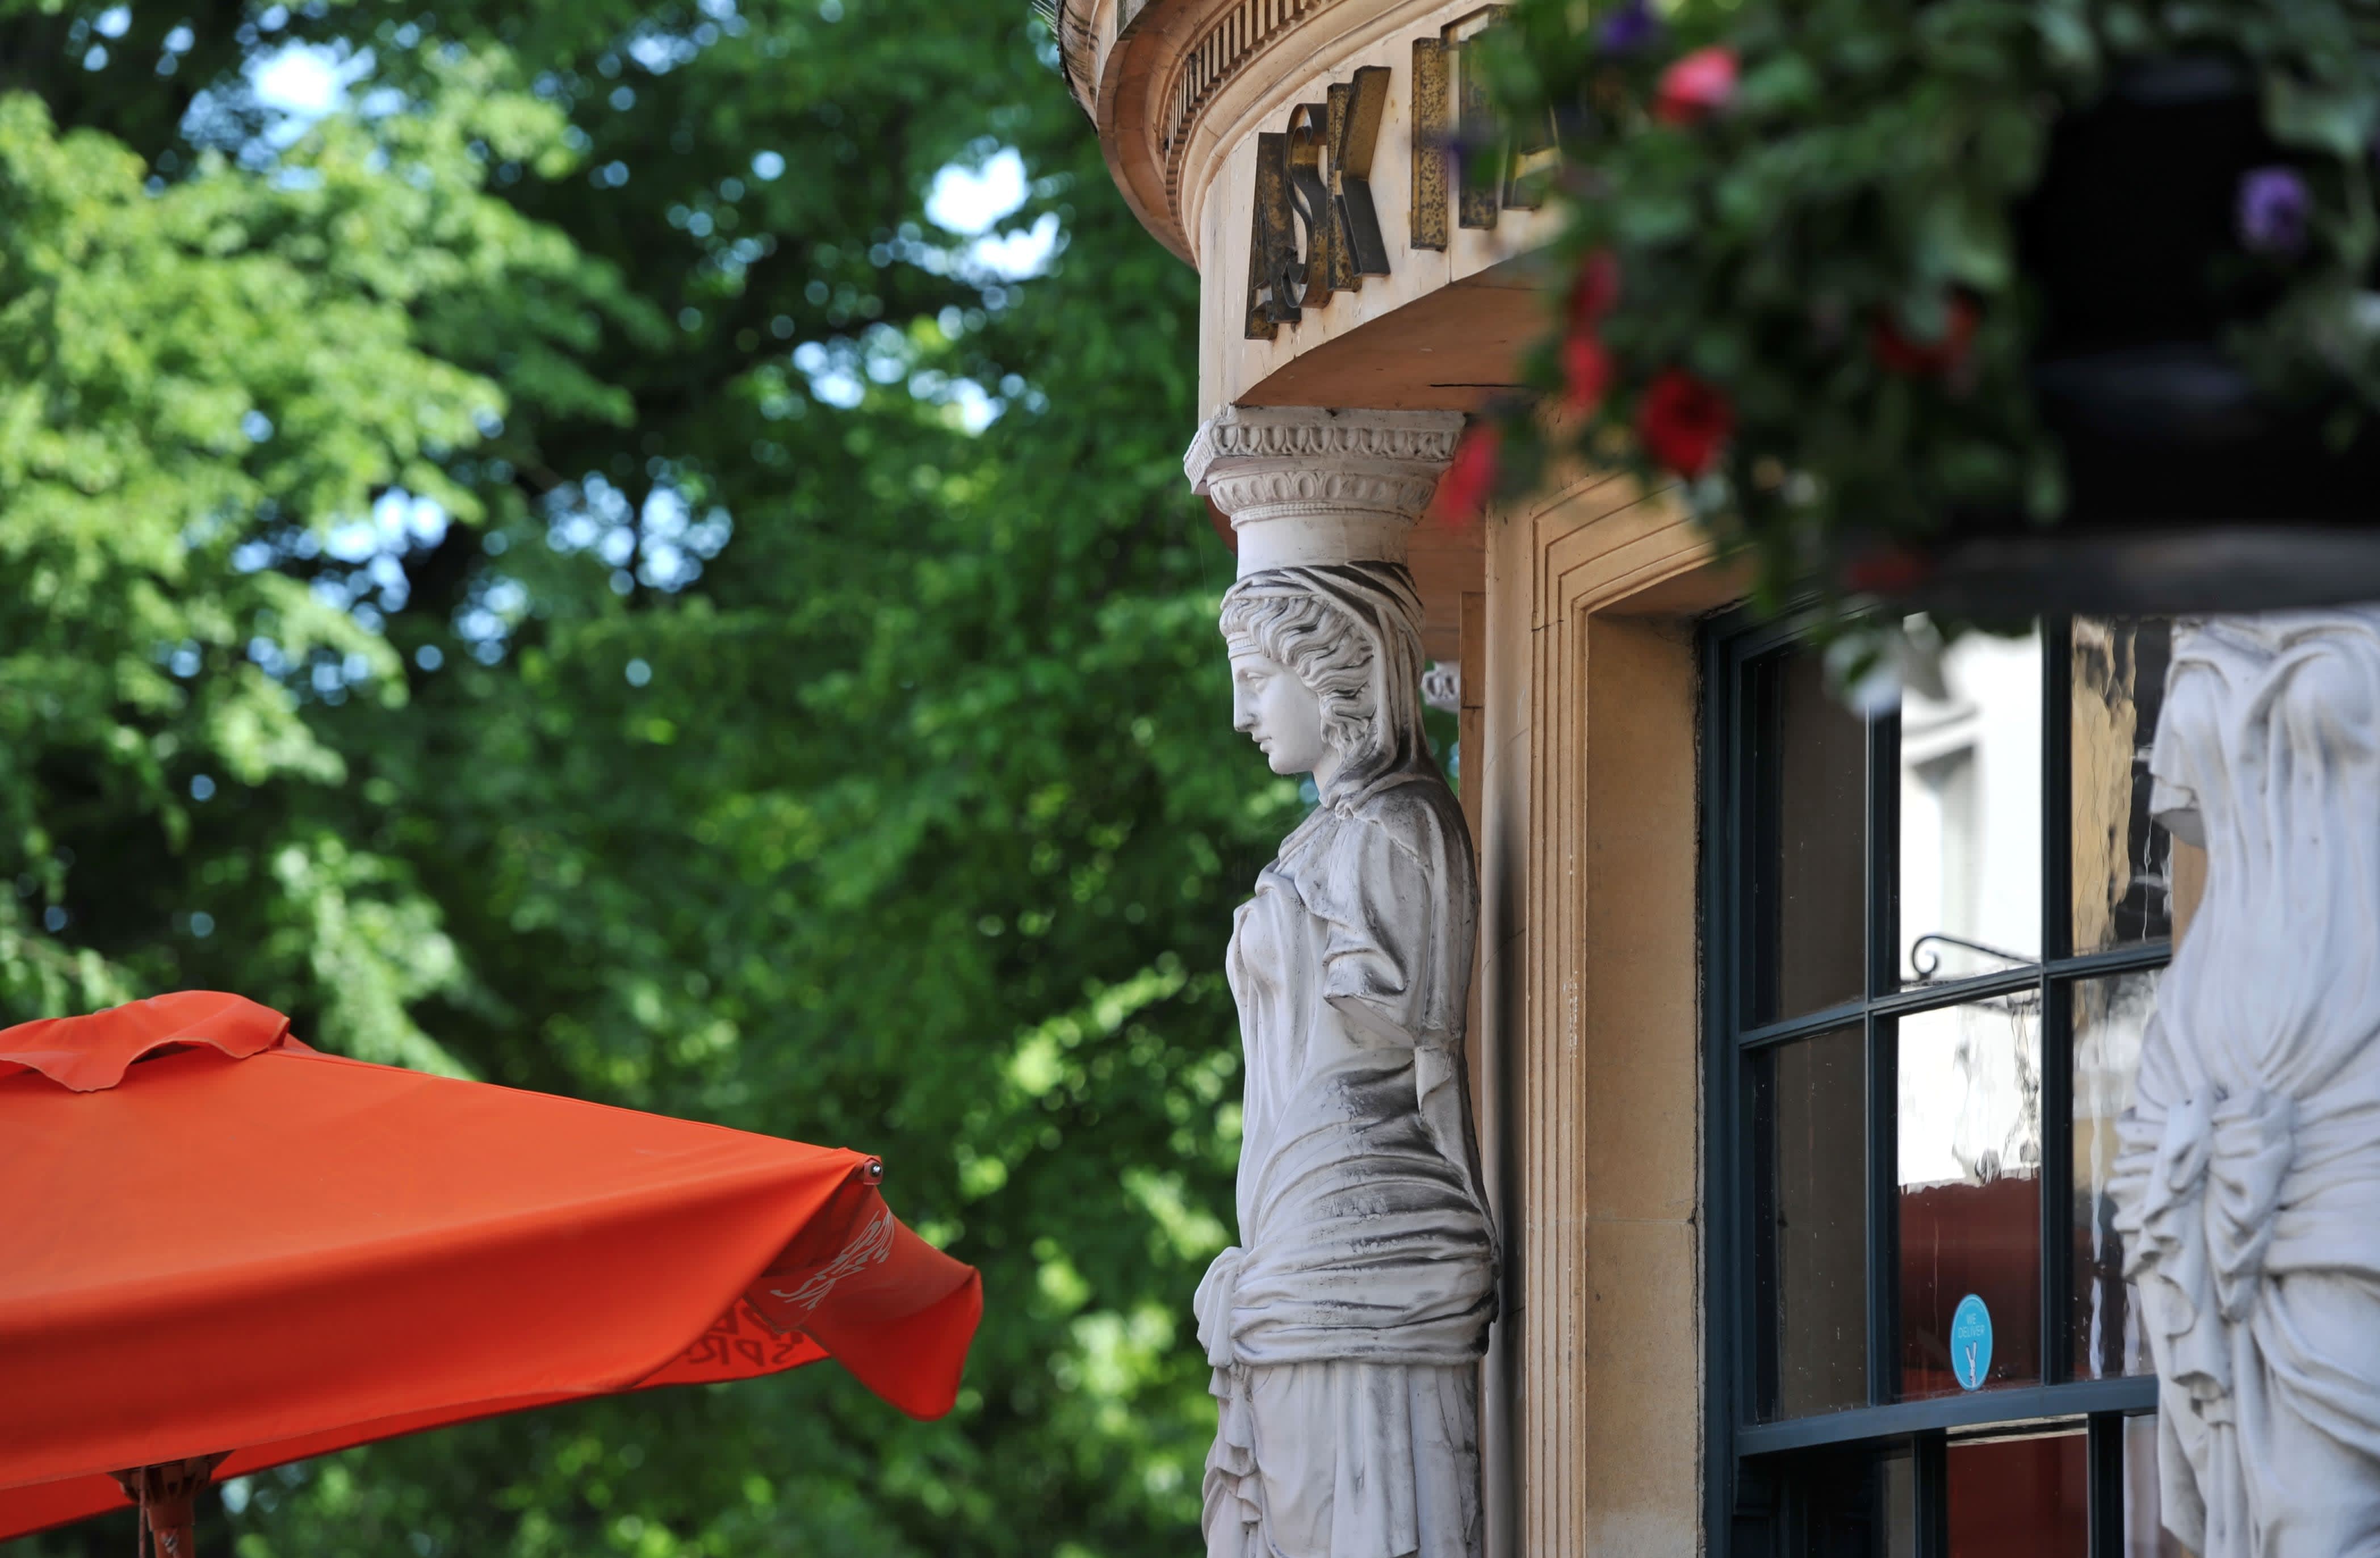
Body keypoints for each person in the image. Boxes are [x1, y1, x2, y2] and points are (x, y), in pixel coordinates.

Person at [1198, 560, 1497, 1558]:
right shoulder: (1317, 841)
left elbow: (1395, 1035)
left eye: (1257, 678)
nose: (1242, 714)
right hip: (1300, 1225)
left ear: (1335, 676)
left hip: (1366, 1221)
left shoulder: (1402, 828)